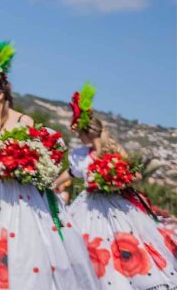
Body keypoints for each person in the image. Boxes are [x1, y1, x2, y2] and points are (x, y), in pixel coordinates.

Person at [0, 41, 100, 289]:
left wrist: (22, 165)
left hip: (23, 195)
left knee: (27, 247)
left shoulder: (25, 121)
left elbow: (41, 158)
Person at [52, 84, 177, 289]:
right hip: (89, 204)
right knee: (89, 242)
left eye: (79, 135)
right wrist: (53, 184)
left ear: (87, 133)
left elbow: (135, 174)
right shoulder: (80, 155)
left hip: (116, 205)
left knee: (122, 242)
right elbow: (72, 172)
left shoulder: (114, 150)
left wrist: (116, 179)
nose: (79, 139)